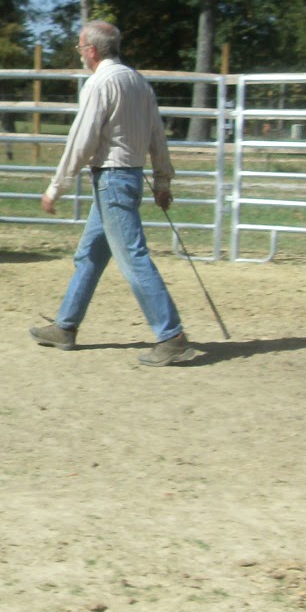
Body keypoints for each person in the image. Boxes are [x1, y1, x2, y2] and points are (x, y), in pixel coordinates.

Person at [29, 20, 198, 366]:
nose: (80, 54)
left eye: (79, 49)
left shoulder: (99, 84)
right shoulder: (139, 83)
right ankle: (66, 326)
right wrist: (162, 182)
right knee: (90, 253)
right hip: (129, 179)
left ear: (91, 50)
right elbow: (157, 136)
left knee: (133, 257)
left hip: (111, 180)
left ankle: (171, 335)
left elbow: (81, 140)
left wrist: (55, 187)